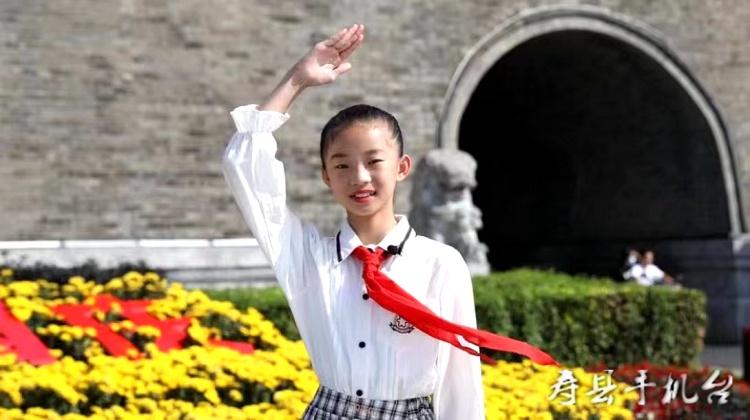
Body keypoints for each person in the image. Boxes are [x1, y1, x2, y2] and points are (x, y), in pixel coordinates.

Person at [221, 24, 556, 420]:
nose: (359, 178)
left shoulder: (440, 263)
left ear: (402, 167)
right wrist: (296, 80)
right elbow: (246, 169)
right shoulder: (307, 258)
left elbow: (459, 381)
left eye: (374, 161)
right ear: (326, 176)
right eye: (342, 165)